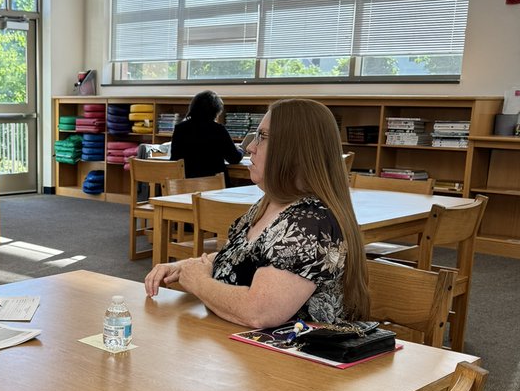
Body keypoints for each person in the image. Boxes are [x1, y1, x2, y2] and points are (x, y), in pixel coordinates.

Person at [146, 99, 370, 329]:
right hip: (236, 339)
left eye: (262, 137)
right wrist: (186, 266)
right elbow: (241, 256)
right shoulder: (271, 203)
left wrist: (198, 281)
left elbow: (259, 313)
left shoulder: (310, 223)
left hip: (294, 349)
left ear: (293, 150)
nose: (250, 147)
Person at [169, 90, 243, 180]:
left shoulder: (180, 129)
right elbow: (234, 158)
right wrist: (241, 150)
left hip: (185, 184)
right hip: (214, 185)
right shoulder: (218, 130)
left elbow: (174, 159)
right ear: (216, 110)